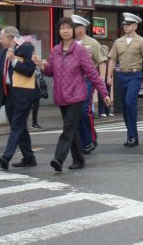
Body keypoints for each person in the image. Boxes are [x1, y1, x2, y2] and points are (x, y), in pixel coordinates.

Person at [39, 18, 111, 171]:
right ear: (59, 31)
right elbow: (50, 71)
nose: (65, 30)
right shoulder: (56, 50)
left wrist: (103, 92)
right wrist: (41, 66)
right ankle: (79, 159)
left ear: (72, 31)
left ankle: (58, 159)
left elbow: (92, 73)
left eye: (68, 28)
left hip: (77, 95)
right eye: (62, 28)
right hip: (61, 96)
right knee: (72, 129)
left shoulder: (80, 51)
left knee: (68, 127)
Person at [0, 26, 40, 170]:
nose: (0, 40)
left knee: (17, 126)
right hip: (9, 94)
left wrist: (13, 61)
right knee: (19, 127)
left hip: (24, 94)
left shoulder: (26, 48)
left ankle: (6, 157)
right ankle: (29, 158)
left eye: (1, 37)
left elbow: (29, 71)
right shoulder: (2, 52)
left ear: (10, 38)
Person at [107, 12, 143, 147]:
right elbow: (112, 59)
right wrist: (109, 75)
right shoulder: (118, 42)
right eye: (124, 24)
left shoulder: (141, 42)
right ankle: (131, 134)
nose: (126, 26)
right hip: (121, 75)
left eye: (129, 24)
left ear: (135, 26)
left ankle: (132, 135)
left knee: (129, 102)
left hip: (135, 75)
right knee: (125, 107)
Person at [72, 14, 108, 154]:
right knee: (76, 112)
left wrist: (102, 82)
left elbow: (101, 62)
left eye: (76, 27)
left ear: (82, 28)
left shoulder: (92, 43)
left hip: (87, 80)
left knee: (84, 110)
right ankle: (83, 139)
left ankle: (91, 139)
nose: (73, 30)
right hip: (72, 82)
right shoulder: (70, 44)